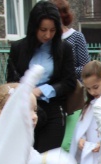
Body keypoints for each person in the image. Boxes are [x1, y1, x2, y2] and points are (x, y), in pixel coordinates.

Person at [7, 1, 77, 154]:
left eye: (52, 30)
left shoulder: (64, 48)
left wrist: (42, 90)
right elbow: (10, 81)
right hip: (25, 110)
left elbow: (69, 82)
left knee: (47, 160)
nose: (48, 35)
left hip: (53, 109)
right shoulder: (18, 48)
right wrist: (25, 90)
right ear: (34, 27)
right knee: (24, 158)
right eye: (43, 30)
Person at [68, 60, 101, 164]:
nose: (92, 92)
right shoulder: (89, 107)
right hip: (92, 157)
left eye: (96, 87)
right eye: (88, 89)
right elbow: (82, 127)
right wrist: (81, 139)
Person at [51, 0, 90, 80]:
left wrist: (65, 71)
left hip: (73, 87)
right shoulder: (47, 38)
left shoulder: (76, 36)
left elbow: (86, 68)